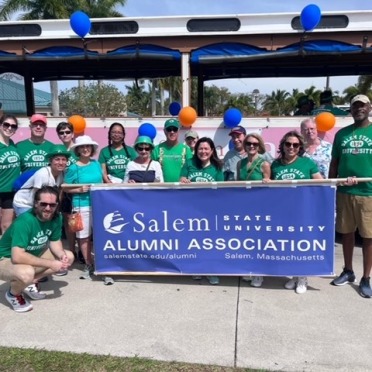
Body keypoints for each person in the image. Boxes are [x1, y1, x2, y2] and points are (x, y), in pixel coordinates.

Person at [0, 185, 74, 313]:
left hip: (29, 254)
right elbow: (17, 256)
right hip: (5, 258)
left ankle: (28, 282)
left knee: (69, 257)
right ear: (35, 204)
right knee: (26, 273)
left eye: (52, 205)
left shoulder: (57, 217)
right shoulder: (25, 221)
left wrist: (61, 255)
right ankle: (13, 294)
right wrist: (51, 263)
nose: (48, 208)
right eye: (43, 204)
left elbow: (55, 241)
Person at [329, 94, 372, 298]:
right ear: (351, 109)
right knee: (346, 233)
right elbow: (335, 162)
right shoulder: (341, 134)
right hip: (345, 191)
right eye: (355, 106)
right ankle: (348, 271)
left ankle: (366, 278)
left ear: (369, 107)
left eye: (362, 105)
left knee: (368, 236)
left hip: (368, 192)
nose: (359, 109)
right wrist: (330, 185)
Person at [271, 130, 322, 294]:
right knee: (288, 245)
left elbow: (321, 183)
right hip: (282, 211)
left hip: (302, 210)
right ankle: (293, 276)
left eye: (295, 145)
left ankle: (302, 277)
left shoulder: (307, 163)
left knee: (301, 245)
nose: (291, 147)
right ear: (283, 146)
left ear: (300, 147)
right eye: (288, 144)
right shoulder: (275, 165)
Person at [180, 137, 224, 285]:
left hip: (210, 211)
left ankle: (212, 270)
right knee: (194, 242)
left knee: (210, 243)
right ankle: (197, 269)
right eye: (200, 148)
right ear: (196, 150)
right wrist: (184, 180)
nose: (203, 151)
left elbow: (222, 189)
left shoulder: (217, 167)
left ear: (212, 151)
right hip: (191, 210)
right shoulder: (189, 163)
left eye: (206, 149)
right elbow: (181, 178)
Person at [64, 135, 103, 282]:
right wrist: (79, 190)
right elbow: (66, 188)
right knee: (83, 237)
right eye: (82, 147)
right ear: (78, 150)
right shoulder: (73, 168)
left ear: (92, 149)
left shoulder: (96, 164)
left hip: (99, 204)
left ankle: (102, 264)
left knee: (100, 236)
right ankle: (89, 264)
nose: (86, 149)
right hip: (81, 206)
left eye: (88, 146)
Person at [236, 133, 271, 288]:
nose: (251, 146)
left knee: (259, 240)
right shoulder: (240, 163)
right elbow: (238, 184)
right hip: (244, 206)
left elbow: (269, 185)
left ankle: (259, 274)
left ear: (259, 146)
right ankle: (250, 269)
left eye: (255, 144)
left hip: (260, 206)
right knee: (247, 240)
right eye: (249, 143)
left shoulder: (264, 164)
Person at [13, 145, 70, 217]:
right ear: (50, 161)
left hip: (43, 204)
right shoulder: (42, 174)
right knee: (31, 223)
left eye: (63, 159)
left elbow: (59, 192)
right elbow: (35, 195)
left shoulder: (63, 173)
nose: (61, 163)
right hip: (25, 203)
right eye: (57, 159)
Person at [0, 114, 21, 235]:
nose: (9, 128)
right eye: (6, 125)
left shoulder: (13, 144)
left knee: (7, 225)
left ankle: (3, 252)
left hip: (10, 191)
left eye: (13, 126)